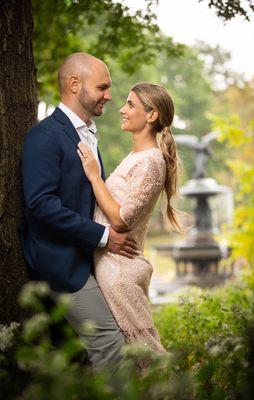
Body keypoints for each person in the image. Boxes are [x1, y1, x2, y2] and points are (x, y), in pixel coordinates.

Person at [19, 53, 139, 369]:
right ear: (75, 84)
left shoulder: (86, 133)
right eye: (102, 87)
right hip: (60, 263)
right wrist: (103, 237)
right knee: (109, 346)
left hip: (87, 261)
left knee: (80, 361)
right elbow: (40, 205)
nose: (109, 96)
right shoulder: (45, 136)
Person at [77, 82, 184, 354]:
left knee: (145, 357)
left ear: (151, 116)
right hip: (110, 267)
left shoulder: (150, 161)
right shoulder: (135, 157)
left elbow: (121, 220)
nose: (122, 110)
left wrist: (93, 175)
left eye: (131, 105)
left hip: (119, 274)